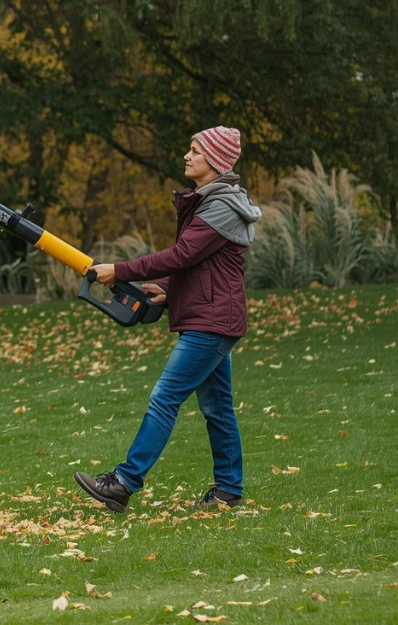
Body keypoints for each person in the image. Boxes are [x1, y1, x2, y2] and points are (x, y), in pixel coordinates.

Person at [74, 126, 261, 513]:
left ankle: (124, 482)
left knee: (165, 398)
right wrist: (166, 288)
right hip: (212, 317)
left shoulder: (221, 206)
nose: (186, 156)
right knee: (218, 407)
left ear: (216, 160)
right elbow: (197, 264)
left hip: (212, 322)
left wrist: (121, 270)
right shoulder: (211, 201)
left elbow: (181, 256)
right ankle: (228, 490)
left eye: (195, 151)